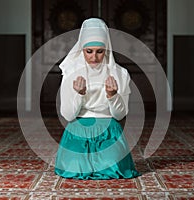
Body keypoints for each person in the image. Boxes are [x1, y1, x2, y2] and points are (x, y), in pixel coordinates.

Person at [54, 18, 140, 180]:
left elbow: (119, 115)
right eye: (89, 51)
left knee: (112, 167)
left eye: (99, 51)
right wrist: (79, 94)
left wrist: (112, 96)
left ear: (106, 50)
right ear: (82, 50)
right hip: (78, 129)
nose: (94, 57)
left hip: (109, 130)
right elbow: (68, 115)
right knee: (75, 168)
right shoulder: (70, 72)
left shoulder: (120, 73)